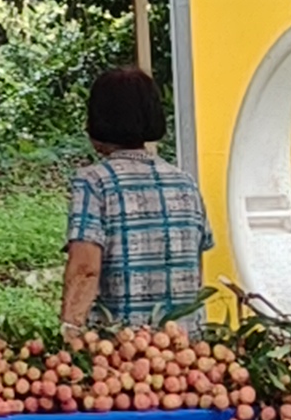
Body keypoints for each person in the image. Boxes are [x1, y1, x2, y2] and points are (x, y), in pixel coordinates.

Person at [63, 66, 215, 330]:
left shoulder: (94, 182)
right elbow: (195, 271)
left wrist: (69, 331)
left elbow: (85, 269)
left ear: (98, 119)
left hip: (122, 347)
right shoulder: (185, 183)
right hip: (185, 345)